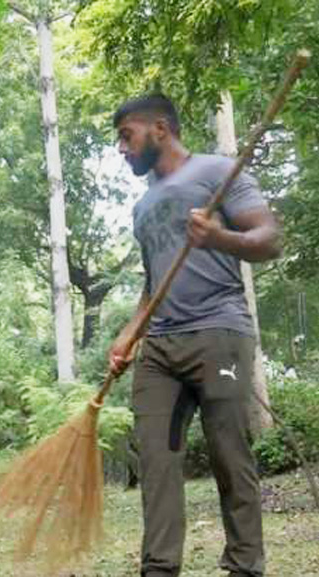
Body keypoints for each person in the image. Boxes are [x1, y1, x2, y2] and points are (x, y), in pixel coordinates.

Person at [108, 94, 281, 577]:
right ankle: (159, 569)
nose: (122, 148)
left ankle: (245, 566)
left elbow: (269, 239)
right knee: (156, 464)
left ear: (160, 128)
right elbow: (152, 285)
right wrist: (128, 334)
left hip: (220, 336)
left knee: (230, 453)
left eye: (127, 136)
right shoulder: (142, 207)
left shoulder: (216, 172)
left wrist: (220, 238)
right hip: (160, 347)